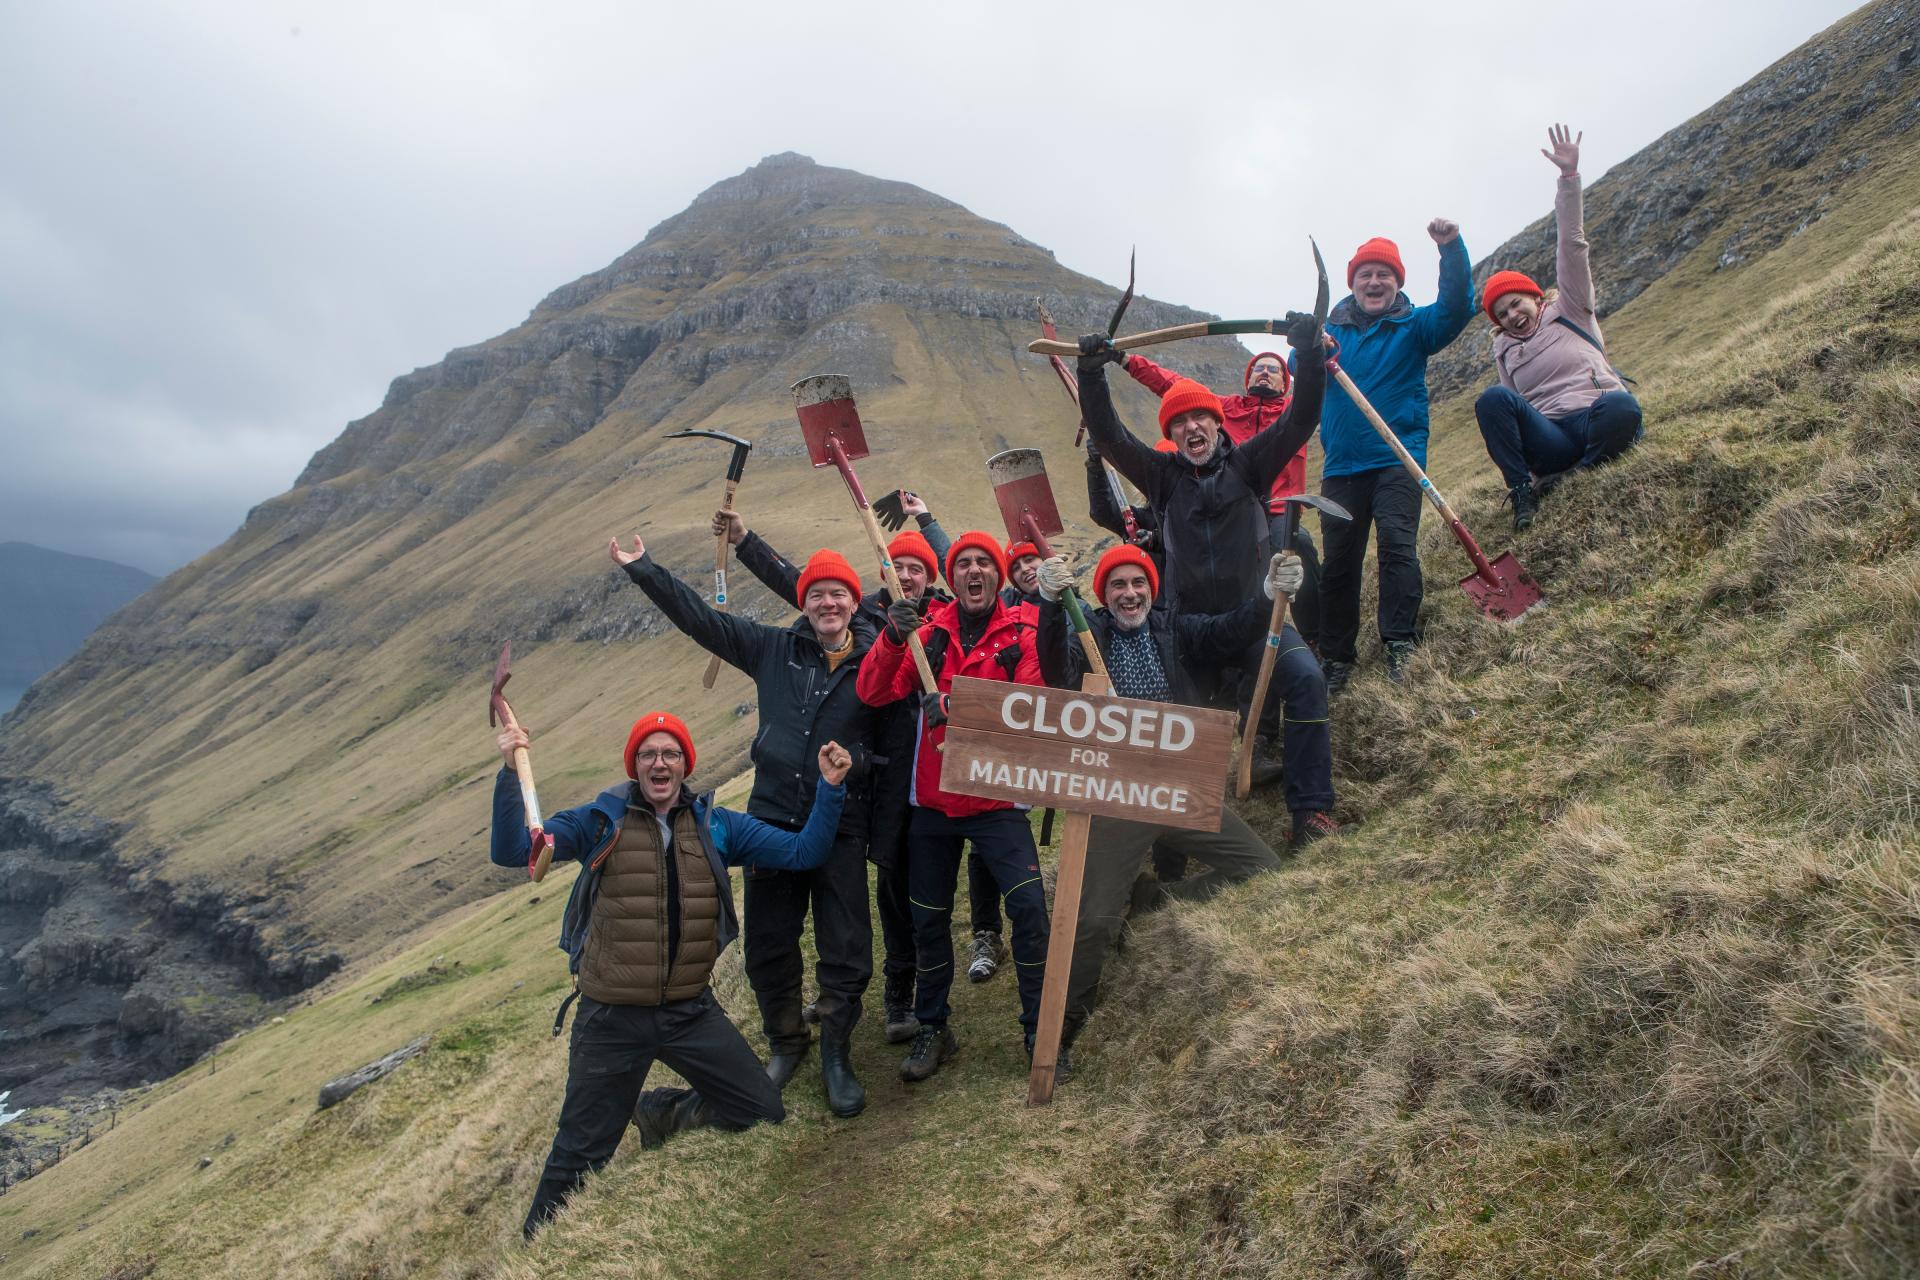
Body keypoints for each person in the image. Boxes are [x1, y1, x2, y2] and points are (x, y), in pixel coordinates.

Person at [497, 712, 851, 1238]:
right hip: (611, 1018)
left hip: (688, 1011)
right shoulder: (599, 823)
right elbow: (513, 852)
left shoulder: (718, 826)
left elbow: (804, 852)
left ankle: (663, 1113)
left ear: (685, 765)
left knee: (762, 1111)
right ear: (634, 766)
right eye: (647, 754)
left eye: (669, 753)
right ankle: (531, 1255)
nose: (659, 763)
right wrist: (509, 772)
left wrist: (831, 788)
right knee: (580, 1154)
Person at [711, 501, 1008, 1034]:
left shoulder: (944, 614)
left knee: (933, 880)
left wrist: (929, 521)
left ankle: (927, 979)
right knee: (889, 887)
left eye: (919, 568)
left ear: (931, 576)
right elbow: (803, 585)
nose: (909, 575)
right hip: (884, 782)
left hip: (940, 769)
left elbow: (983, 584)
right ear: (883, 572)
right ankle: (879, 997)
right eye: (900, 566)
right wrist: (745, 540)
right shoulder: (868, 615)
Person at [1031, 546, 1324, 1079]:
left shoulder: (1175, 631)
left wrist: (1267, 594)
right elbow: (1055, 667)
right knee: (1093, 920)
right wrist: (1050, 605)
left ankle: (1154, 899)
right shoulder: (1087, 636)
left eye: (1137, 583)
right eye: (1117, 585)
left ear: (1151, 589)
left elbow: (1233, 630)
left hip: (1180, 785)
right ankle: (1066, 1023)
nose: (1129, 594)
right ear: (1103, 594)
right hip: (1117, 795)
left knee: (1262, 870)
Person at [611, 533, 876, 1119]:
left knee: (847, 944)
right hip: (772, 819)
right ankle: (787, 1042)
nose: (828, 604)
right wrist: (644, 570)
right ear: (804, 603)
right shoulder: (771, 649)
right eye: (817, 595)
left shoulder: (877, 664)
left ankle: (837, 1052)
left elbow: (896, 739)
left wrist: (860, 765)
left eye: (838, 595)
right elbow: (702, 622)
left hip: (842, 825)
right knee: (769, 943)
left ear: (854, 603)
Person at [1074, 316, 1324, 776]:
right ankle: (1173, 830)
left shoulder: (1251, 465)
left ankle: (1310, 807)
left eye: (1199, 418)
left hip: (1255, 619)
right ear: (1170, 436)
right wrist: (1090, 373)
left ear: (1217, 422)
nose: (1191, 428)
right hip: (1187, 635)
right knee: (1183, 736)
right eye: (1180, 422)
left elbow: (1301, 417)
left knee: (1307, 678)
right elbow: (1110, 437)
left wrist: (1308, 356)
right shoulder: (1161, 477)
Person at [855, 532, 1049, 1082]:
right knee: (928, 920)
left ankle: (1037, 1026)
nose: (973, 572)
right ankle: (933, 1026)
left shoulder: (1022, 632)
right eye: (962, 563)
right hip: (934, 802)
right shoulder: (927, 636)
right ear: (952, 575)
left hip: (997, 797)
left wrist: (958, 706)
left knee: (1030, 911)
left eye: (983, 562)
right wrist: (893, 638)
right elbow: (873, 693)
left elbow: (1030, 708)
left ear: (997, 573)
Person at [1313, 221, 1475, 692]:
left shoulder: (1414, 326)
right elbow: (1297, 370)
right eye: (1365, 274)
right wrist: (1306, 344)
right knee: (1340, 563)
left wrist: (1450, 248)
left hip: (1398, 461)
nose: (1374, 282)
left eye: (1385, 274)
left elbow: (1456, 308)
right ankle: (1338, 657)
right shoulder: (1329, 336)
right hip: (1341, 467)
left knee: (1397, 547)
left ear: (1398, 282)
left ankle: (1399, 641)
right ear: (1353, 282)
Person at [1476, 125, 1643, 530]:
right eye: (1502, 314)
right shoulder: (1506, 350)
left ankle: (1578, 474)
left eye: (1516, 303)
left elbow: (1572, 244)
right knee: (1492, 400)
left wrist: (1569, 179)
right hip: (1552, 437)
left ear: (1536, 297)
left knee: (1621, 407)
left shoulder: (1571, 307)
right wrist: (1530, 469)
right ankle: (1522, 494)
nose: (1513, 315)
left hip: (1594, 415)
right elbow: (1513, 411)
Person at [1123, 349, 1322, 648]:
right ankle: (1198, 639)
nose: (1264, 372)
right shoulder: (1222, 409)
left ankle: (1312, 637)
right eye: (1258, 368)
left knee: (1299, 547)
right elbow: (1173, 385)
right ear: (1248, 378)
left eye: (1273, 369)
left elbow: (1311, 403)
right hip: (1233, 510)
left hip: (1278, 511)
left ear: (1285, 383)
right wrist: (1127, 361)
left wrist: (1316, 354)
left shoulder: (1291, 412)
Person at [1002, 541, 1044, 607]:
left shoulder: (1064, 599)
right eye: (1016, 568)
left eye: (1029, 560)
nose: (1024, 569)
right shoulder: (1006, 607)